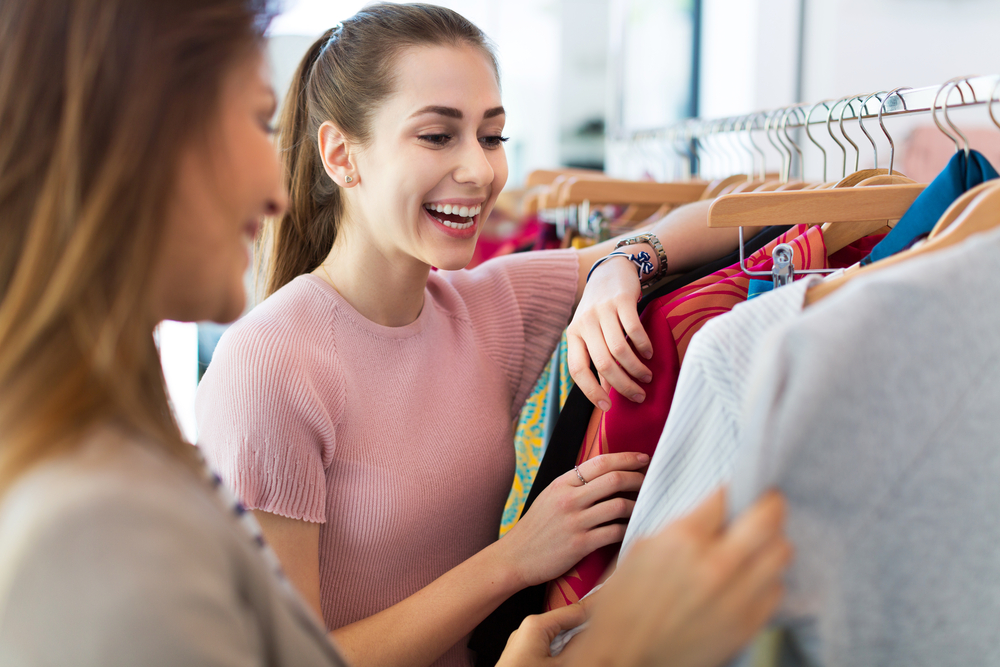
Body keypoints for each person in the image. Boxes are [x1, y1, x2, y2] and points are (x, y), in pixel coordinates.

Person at [0, 1, 790, 665]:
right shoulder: (270, 363)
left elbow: (719, 218)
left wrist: (626, 263)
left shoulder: (489, 305)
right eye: (438, 135)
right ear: (341, 155)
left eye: (492, 135)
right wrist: (515, 560)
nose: (480, 171)